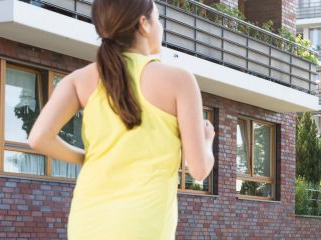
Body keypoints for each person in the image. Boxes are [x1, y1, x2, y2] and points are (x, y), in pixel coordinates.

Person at [27, 0, 215, 238]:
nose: (160, 27)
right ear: (144, 24)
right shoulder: (179, 80)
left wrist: (89, 159)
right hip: (143, 224)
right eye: (158, 19)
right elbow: (198, 170)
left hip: (87, 221)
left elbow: (38, 138)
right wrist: (207, 140)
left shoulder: (78, 79)